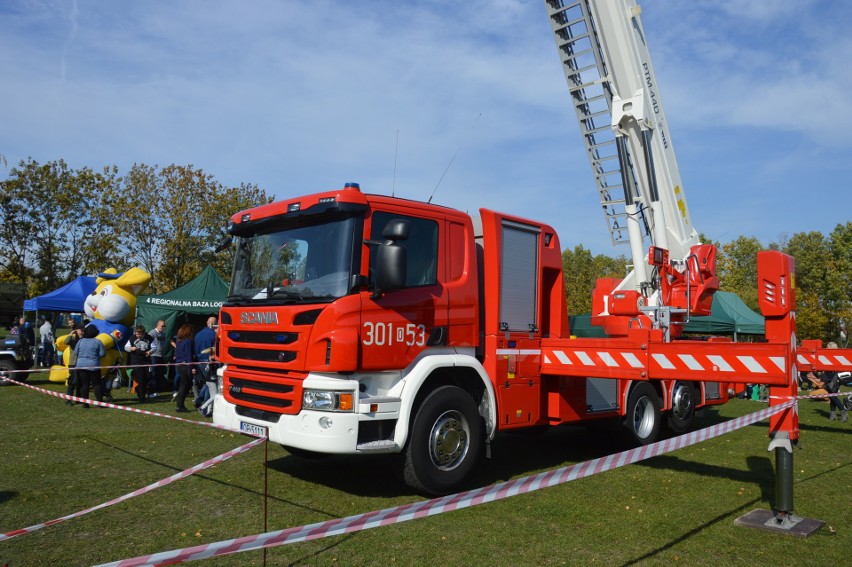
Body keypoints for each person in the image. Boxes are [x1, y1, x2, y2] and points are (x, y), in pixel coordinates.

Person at [74, 324, 106, 408]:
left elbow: (75, 352)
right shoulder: (98, 341)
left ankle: (85, 403)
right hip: (94, 365)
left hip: (81, 365)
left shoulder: (81, 341)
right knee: (96, 384)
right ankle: (99, 403)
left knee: (84, 384)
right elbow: (102, 354)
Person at [193, 317, 218, 417]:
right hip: (209, 361)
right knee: (212, 386)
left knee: (208, 383)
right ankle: (207, 407)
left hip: (200, 361)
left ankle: (199, 400)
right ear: (214, 324)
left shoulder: (198, 334)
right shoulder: (214, 334)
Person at [125, 325, 153, 403]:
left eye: (139, 334)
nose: (138, 336)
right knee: (141, 379)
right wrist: (131, 348)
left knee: (148, 377)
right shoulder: (132, 338)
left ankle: (139, 389)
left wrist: (150, 351)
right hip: (136, 361)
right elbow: (125, 347)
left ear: (143, 333)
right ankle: (142, 397)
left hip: (146, 361)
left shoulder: (149, 338)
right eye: (137, 334)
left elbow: (154, 347)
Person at [173, 323, 196, 413]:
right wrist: (192, 367)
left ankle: (180, 404)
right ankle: (179, 405)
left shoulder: (179, 341)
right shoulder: (187, 341)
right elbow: (188, 355)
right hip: (185, 365)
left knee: (184, 385)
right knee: (185, 385)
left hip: (180, 365)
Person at [63, 323, 84, 405]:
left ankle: (78, 399)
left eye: (83, 331)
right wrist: (71, 334)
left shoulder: (83, 339)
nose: (82, 332)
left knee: (80, 382)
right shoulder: (73, 338)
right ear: (77, 330)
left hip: (81, 363)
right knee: (72, 382)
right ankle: (69, 399)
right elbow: (66, 341)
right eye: (81, 330)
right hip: (73, 363)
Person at [147, 320, 166, 398]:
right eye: (162, 326)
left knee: (158, 374)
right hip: (153, 356)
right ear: (157, 325)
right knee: (153, 374)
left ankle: (155, 390)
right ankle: (150, 392)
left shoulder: (163, 334)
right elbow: (148, 344)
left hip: (160, 356)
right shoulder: (152, 333)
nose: (163, 328)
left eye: (164, 326)